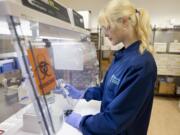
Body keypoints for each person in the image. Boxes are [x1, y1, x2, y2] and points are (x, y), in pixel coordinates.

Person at [64, 0, 157, 135]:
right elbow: (105, 91)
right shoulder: (122, 56)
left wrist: (81, 122)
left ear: (125, 22)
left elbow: (114, 121)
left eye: (107, 27)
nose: (105, 33)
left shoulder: (141, 65)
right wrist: (82, 93)